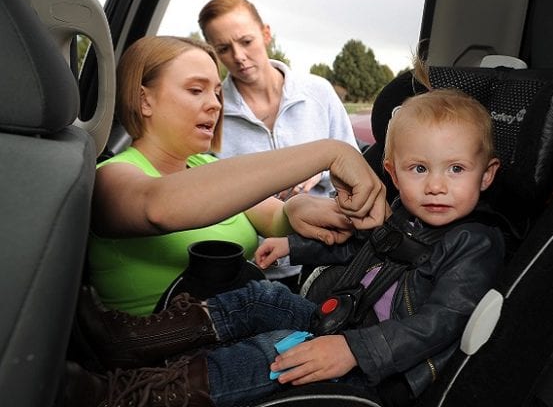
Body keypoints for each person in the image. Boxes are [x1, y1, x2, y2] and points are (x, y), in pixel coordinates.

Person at [68, 77, 505, 407]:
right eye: (420, 170)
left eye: (456, 170)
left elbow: (441, 321)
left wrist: (355, 349)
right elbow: (359, 250)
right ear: (391, 172)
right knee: (259, 296)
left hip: (379, 367)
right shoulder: (400, 215)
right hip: (341, 322)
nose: (437, 187)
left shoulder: (475, 242)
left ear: (486, 175)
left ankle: (127, 395)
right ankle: (125, 342)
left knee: (274, 353)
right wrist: (295, 247)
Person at [86, 35, 386, 316]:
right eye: (195, 90)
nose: (215, 103)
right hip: (165, 363)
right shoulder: (109, 176)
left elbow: (275, 217)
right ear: (144, 100)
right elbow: (158, 207)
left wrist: (298, 208)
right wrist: (327, 152)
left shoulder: (206, 165)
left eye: (217, 92)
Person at [197, 0, 362, 289]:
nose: (238, 56)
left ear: (266, 33)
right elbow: (212, 194)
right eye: (223, 48)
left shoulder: (318, 92)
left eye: (246, 41)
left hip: (327, 258)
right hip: (254, 271)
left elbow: (353, 169)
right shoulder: (212, 113)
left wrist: (317, 169)